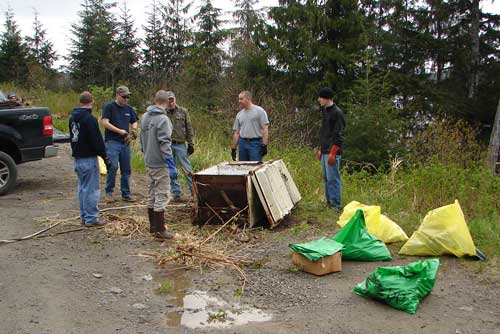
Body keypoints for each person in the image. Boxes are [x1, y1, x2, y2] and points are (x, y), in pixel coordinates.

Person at [69, 91, 112, 227]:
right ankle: (92, 218)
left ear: (80, 102)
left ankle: (84, 216)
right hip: (88, 158)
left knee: (82, 188)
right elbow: (97, 140)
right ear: (91, 102)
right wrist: (105, 157)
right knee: (92, 189)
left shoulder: (72, 118)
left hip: (78, 158)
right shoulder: (89, 119)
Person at [140, 90, 178, 239]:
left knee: (151, 193)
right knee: (162, 194)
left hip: (149, 161)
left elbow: (142, 140)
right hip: (160, 163)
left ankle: (153, 226)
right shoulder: (163, 119)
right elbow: (165, 143)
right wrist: (171, 164)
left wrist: (146, 154)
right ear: (167, 102)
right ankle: (160, 230)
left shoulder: (144, 117)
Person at [101, 86, 138, 202]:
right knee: (112, 167)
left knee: (126, 169)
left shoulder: (128, 108)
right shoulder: (109, 107)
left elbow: (135, 121)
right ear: (117, 95)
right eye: (124, 97)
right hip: (112, 141)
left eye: (128, 97)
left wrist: (134, 130)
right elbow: (104, 122)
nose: (126, 99)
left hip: (125, 143)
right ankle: (109, 192)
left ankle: (126, 193)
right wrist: (119, 131)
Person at [317, 87, 345, 210]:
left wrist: (333, 153)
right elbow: (324, 132)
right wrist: (320, 149)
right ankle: (329, 202)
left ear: (326, 98)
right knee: (326, 178)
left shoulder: (337, 113)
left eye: (321, 98)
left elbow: (338, 134)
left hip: (332, 150)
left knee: (333, 178)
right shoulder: (325, 111)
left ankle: (336, 205)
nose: (319, 100)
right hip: (324, 149)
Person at [165, 91, 194, 200]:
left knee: (187, 169)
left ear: (175, 99)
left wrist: (191, 143)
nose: (170, 102)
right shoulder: (163, 113)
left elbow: (189, 128)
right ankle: (176, 193)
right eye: (168, 100)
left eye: (172, 100)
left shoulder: (183, 111)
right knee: (171, 170)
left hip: (181, 144)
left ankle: (194, 192)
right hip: (168, 145)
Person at [231, 91, 269, 161]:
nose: (239, 101)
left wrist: (264, 145)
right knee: (242, 167)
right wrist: (233, 149)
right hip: (242, 143)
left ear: (248, 99)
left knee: (254, 167)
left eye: (241, 99)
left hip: (255, 143)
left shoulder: (259, 111)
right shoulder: (239, 114)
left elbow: (265, 129)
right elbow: (236, 133)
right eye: (239, 99)